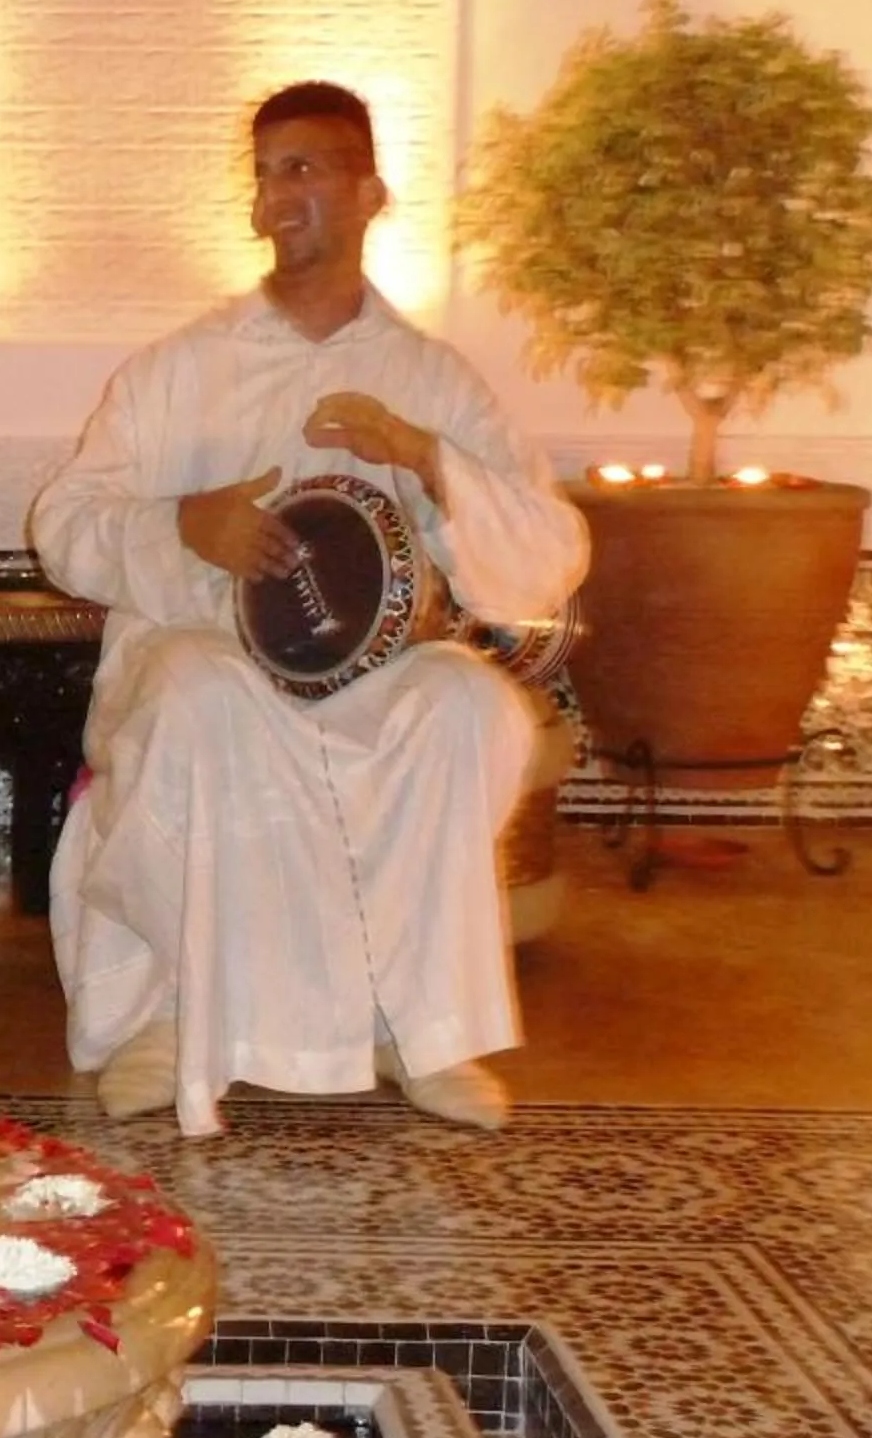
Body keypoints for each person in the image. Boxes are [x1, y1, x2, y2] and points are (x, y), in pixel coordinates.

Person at [30, 81, 586, 1139]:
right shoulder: (181, 369)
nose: (279, 196)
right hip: (209, 649)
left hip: (371, 672)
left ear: (371, 191)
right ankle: (181, 1014)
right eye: (265, 175)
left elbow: (551, 552)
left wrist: (425, 455)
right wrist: (185, 526)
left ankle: (415, 1027)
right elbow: (65, 521)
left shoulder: (431, 377)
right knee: (201, 700)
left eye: (307, 169)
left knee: (469, 710)